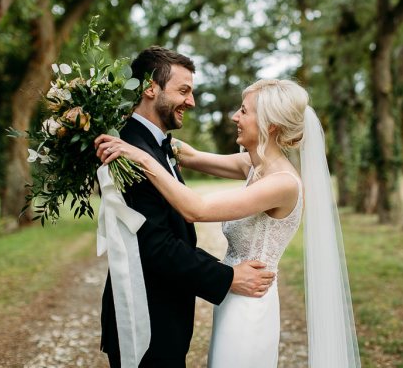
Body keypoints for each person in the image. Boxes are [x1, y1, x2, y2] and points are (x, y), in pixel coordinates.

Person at [97, 78, 361, 367]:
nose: (235, 116)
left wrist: (144, 159)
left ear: (270, 124)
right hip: (232, 298)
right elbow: (189, 154)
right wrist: (110, 119)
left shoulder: (282, 184)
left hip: (250, 305)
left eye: (244, 111)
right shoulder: (255, 165)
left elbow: (195, 209)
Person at [94, 46, 276, 368]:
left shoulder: (156, 146)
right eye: (183, 90)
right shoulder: (128, 151)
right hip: (144, 315)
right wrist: (227, 277)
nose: (191, 101)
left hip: (165, 312)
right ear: (150, 88)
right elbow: (154, 245)